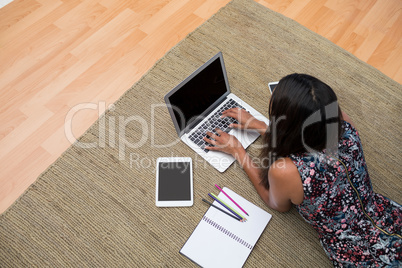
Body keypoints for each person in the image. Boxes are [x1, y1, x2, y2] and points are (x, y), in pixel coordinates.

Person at [203, 73, 402, 267]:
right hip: (386, 217)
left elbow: (277, 203)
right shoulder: (342, 121)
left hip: (361, 253)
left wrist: (238, 151)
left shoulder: (287, 171)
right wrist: (263, 127)